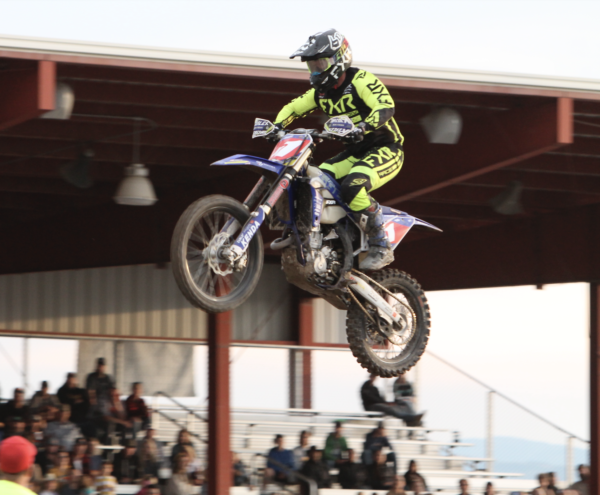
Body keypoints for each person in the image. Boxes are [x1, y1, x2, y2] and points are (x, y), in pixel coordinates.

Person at [272, 29, 405, 271]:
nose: (316, 70)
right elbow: (293, 107)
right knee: (313, 181)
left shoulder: (361, 80)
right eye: (312, 65)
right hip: (354, 153)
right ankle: (329, 237)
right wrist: (277, 126)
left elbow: (386, 107)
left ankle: (380, 244)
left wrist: (363, 127)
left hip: (385, 149)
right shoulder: (321, 93)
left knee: (353, 186)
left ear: (340, 58)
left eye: (321, 63)